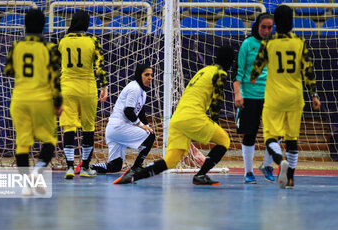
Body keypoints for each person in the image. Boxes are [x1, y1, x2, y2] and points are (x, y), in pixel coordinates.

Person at [113, 45, 235, 185]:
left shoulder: (205, 70)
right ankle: (200, 175)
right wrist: (215, 122)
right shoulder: (221, 73)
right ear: (230, 61)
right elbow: (216, 102)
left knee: (170, 161)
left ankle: (134, 175)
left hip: (177, 118)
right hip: (193, 117)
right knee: (225, 140)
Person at [250, 5, 321, 188]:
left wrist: (253, 77)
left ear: (275, 22)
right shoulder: (299, 42)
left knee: (270, 136)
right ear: (291, 21)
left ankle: (279, 159)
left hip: (275, 98)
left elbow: (257, 67)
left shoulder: (268, 42)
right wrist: (314, 95)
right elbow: (308, 70)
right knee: (292, 139)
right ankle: (290, 178)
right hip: (295, 97)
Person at [4, 9, 62, 195]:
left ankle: (25, 185)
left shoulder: (16, 45)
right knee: (50, 140)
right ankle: (37, 173)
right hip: (42, 100)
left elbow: (8, 71)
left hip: (19, 99)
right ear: (43, 26)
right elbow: (54, 78)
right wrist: (58, 101)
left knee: (22, 143)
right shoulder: (50, 48)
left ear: (25, 25)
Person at [58, 10, 108, 179]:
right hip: (87, 88)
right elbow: (100, 66)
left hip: (67, 88)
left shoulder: (63, 41)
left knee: (69, 126)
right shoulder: (92, 40)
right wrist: (104, 87)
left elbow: (56, 66)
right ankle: (85, 167)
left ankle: (70, 167)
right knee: (88, 127)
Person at [88, 64, 155, 174]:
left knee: (115, 166)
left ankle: (90, 167)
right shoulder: (134, 88)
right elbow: (128, 111)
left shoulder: (143, 93)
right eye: (146, 74)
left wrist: (147, 126)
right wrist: (141, 126)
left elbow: (141, 112)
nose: (150, 78)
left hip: (115, 129)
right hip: (119, 127)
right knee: (150, 136)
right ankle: (136, 167)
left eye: (151, 75)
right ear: (139, 75)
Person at [234, 13, 275, 184]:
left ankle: (267, 165)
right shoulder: (248, 44)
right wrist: (238, 93)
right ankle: (248, 172)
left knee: (275, 133)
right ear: (256, 26)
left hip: (271, 96)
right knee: (250, 134)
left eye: (269, 27)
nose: (266, 31)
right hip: (249, 95)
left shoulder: (274, 45)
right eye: (263, 27)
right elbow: (239, 71)